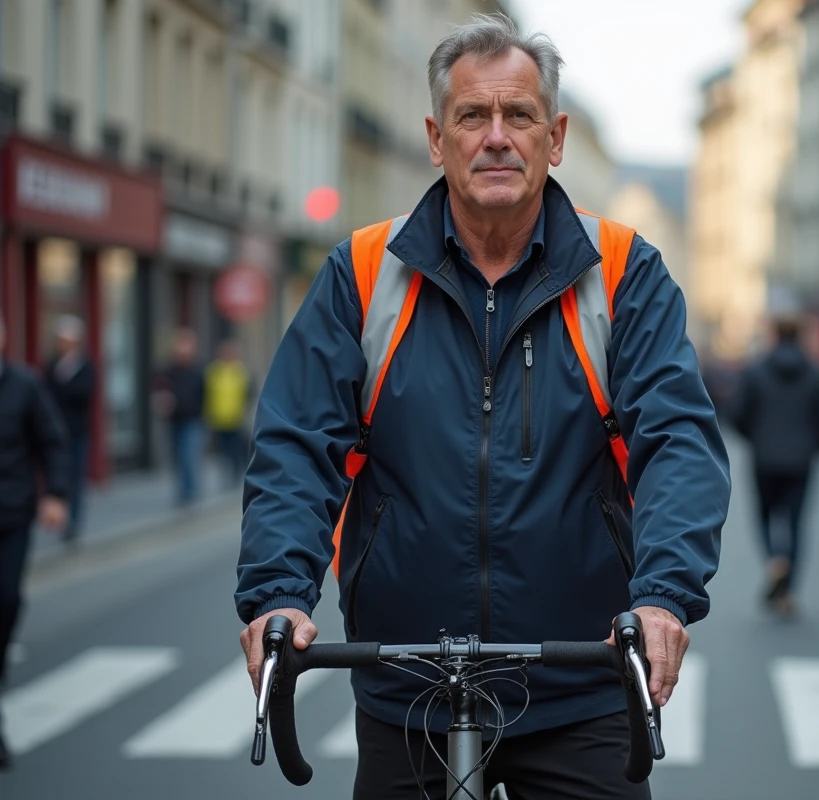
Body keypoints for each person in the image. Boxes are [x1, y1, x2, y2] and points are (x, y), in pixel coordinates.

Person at [234, 14, 730, 799]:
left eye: (519, 115)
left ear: (555, 137)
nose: (496, 137)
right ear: (438, 139)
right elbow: (299, 445)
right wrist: (278, 596)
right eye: (472, 116)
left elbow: (677, 441)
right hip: (409, 686)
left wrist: (663, 597)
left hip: (583, 687)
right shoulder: (363, 273)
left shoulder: (623, 272)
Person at [0, 314, 71, 770]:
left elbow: (53, 441)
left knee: (5, 601)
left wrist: (56, 494)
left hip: (11, 513)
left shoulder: (24, 386)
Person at [732, 316, 819, 617]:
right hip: (801, 460)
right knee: (796, 524)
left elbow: (738, 414)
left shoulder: (755, 372)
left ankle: (775, 560)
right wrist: (815, 446)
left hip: (764, 458)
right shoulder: (817, 375)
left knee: (765, 517)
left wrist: (756, 438)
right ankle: (787, 589)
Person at [43, 315, 95, 542]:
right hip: (54, 431)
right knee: (58, 474)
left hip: (77, 429)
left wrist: (63, 389)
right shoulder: (51, 365)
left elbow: (84, 393)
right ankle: (60, 517)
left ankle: (73, 520)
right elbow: (44, 395)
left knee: (75, 476)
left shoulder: (85, 366)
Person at [153, 329, 206, 506]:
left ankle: (190, 490)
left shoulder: (198, 372)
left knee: (189, 455)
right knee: (178, 456)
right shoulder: (169, 372)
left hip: (193, 419)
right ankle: (183, 490)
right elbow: (159, 390)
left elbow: (204, 395)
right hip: (175, 420)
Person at [204, 339, 252, 488]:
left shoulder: (240, 371)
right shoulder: (214, 371)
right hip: (219, 418)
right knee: (223, 449)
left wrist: (245, 411)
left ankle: (236, 472)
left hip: (236, 417)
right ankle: (227, 474)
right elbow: (206, 393)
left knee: (236, 448)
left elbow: (248, 392)